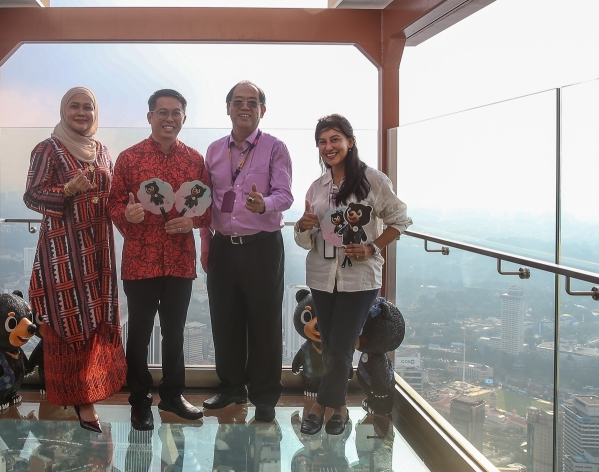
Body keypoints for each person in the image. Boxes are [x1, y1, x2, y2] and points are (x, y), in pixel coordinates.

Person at [293, 114, 411, 436]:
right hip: (320, 275)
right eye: (322, 141)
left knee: (343, 343)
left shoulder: (373, 180)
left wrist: (373, 247)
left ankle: (320, 405)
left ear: (350, 142)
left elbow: (400, 220)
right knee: (330, 344)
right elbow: (306, 241)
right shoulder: (316, 187)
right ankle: (341, 408)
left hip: (359, 279)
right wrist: (302, 227)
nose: (328, 147)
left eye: (334, 139)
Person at [24, 87, 126, 433]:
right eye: (74, 107)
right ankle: (79, 400)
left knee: (96, 318)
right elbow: (32, 195)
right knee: (68, 318)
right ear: (63, 110)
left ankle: (94, 391)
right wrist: (66, 191)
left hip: (98, 249)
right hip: (63, 253)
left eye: (88, 107)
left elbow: (112, 197)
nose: (81, 113)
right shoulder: (48, 149)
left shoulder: (102, 151)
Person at [108, 89, 211, 431]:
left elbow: (208, 207)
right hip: (141, 259)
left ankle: (172, 395)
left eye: (176, 112)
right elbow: (111, 204)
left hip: (180, 260)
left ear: (185, 117)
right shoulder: (129, 158)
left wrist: (192, 221)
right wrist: (128, 216)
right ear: (149, 116)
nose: (169, 118)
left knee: (175, 332)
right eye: (162, 112)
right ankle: (139, 401)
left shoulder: (195, 160)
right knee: (138, 333)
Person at [200, 81, 293, 423]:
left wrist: (263, 204)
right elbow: (206, 200)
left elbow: (285, 195)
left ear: (261, 111)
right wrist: (206, 243)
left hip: (262, 248)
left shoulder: (275, 148)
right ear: (228, 108)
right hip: (223, 246)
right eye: (237, 101)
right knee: (225, 320)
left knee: (265, 322)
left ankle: (265, 396)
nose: (244, 107)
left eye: (252, 102)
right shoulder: (212, 151)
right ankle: (231, 387)